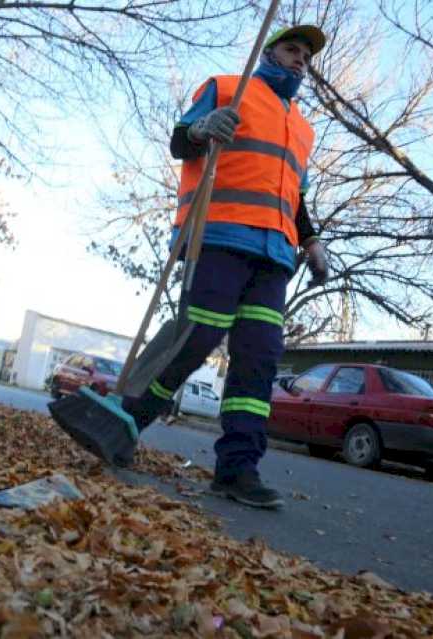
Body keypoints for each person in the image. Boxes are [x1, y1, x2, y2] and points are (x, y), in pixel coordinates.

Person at [116, 25, 331, 509]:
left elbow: (296, 198)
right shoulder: (226, 89)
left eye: (306, 56)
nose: (300, 60)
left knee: (259, 359)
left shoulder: (302, 127)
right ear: (270, 51)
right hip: (217, 236)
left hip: (276, 255)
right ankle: (125, 421)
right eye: (291, 49)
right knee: (197, 337)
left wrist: (313, 241)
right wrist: (200, 129)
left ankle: (238, 469)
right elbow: (179, 143)